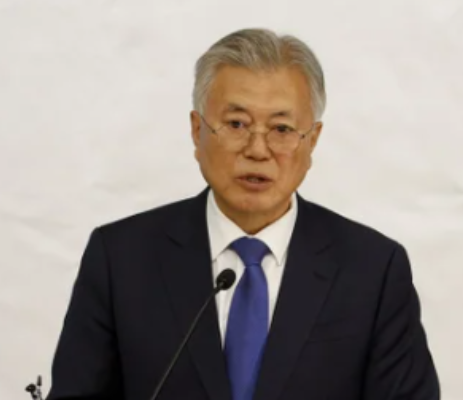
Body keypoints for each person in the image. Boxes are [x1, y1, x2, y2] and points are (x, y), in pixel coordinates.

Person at [46, 28, 440, 400]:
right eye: (236, 124)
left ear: (312, 140)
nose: (257, 149)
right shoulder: (120, 258)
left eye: (282, 129)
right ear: (197, 130)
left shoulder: (373, 270)